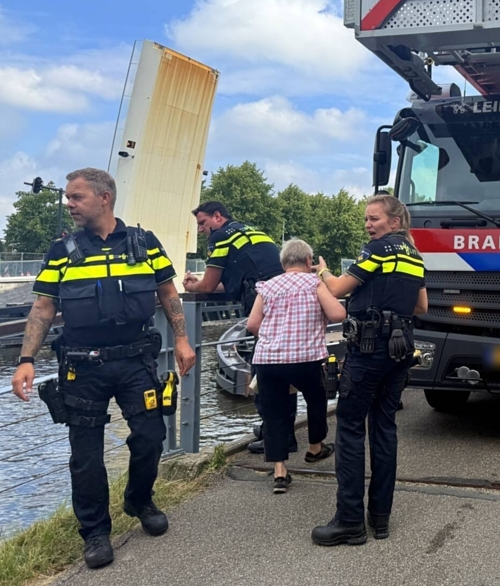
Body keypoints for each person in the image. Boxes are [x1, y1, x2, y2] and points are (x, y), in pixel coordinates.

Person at [11, 168, 196, 569]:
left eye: (76, 197)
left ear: (104, 198)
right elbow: (43, 307)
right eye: (68, 197)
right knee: (86, 456)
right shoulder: (61, 251)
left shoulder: (144, 243)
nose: (69, 204)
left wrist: (182, 340)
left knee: (150, 435)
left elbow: (167, 291)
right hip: (82, 367)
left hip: (134, 361)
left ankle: (139, 499)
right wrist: (26, 360)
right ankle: (95, 532)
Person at [311, 195, 427, 546]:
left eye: (374, 218)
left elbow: (337, 289)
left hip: (368, 349)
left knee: (349, 429)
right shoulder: (415, 256)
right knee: (384, 427)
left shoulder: (376, 249)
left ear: (394, 221)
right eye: (366, 219)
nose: (367, 224)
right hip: (400, 349)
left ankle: (349, 522)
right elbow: (421, 305)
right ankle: (380, 518)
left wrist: (323, 271)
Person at [182, 202, 292, 454]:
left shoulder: (220, 237)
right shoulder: (251, 232)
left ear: (218, 217)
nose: (201, 230)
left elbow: (209, 287)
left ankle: (275, 439)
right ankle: (278, 431)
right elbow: (234, 284)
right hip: (281, 296)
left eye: (202, 223)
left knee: (263, 369)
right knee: (283, 366)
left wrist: (192, 286)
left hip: (261, 301)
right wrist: (202, 284)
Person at [246, 239, 345, 493]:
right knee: (316, 398)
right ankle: (314, 448)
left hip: (268, 360)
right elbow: (337, 315)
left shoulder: (267, 286)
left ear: (283, 263)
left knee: (274, 413)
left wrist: (273, 338)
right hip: (305, 358)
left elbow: (253, 325)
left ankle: (280, 472)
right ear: (309, 262)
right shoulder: (314, 283)